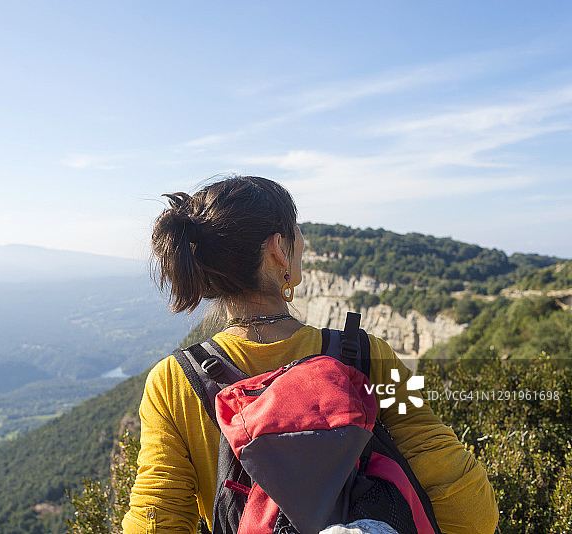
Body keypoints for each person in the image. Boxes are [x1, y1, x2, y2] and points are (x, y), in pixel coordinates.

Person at [122, 176, 498, 534]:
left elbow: (157, 518)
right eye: (296, 230)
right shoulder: (369, 356)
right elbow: (466, 503)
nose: (303, 240)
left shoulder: (174, 381)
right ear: (277, 250)